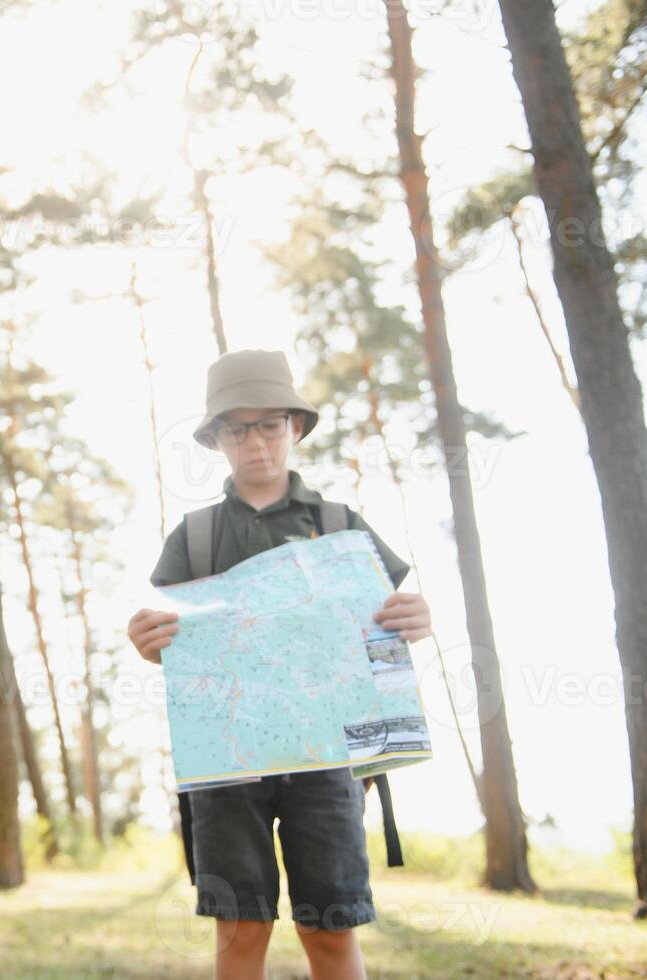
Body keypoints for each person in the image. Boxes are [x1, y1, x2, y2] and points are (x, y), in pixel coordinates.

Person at [127, 349, 432, 980]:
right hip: (227, 762)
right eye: (237, 427)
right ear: (215, 439)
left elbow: (383, 631)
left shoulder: (340, 527)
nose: (255, 441)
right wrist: (150, 639)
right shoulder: (195, 535)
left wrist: (415, 622)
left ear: (294, 427)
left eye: (269, 424)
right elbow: (183, 649)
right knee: (240, 931)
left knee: (331, 927)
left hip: (329, 761)